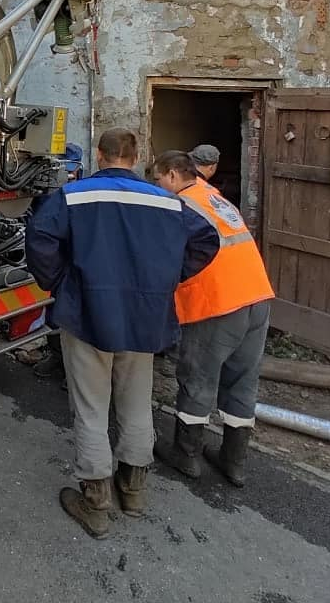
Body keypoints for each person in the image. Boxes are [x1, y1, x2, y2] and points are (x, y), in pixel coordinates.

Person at [25, 128, 219, 539]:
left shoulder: (75, 196)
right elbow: (207, 240)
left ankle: (95, 502)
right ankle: (133, 492)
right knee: (135, 403)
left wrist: (61, 284)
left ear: (99, 154)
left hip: (88, 314)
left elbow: (40, 239)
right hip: (145, 318)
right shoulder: (167, 202)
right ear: (136, 157)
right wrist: (164, 281)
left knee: (92, 409)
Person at [152, 150, 275, 488]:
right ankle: (234, 463)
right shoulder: (216, 199)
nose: (159, 187)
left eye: (159, 180)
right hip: (257, 296)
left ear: (174, 176)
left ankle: (186, 453)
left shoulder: (181, 205)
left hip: (218, 303)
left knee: (198, 377)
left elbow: (167, 255)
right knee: (242, 381)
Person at [33, 142, 85, 386]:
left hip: (71, 263)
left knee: (72, 317)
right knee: (57, 313)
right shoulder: (46, 185)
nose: (68, 174)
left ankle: (72, 371)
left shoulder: (75, 192)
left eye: (72, 169)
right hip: (58, 263)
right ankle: (58, 359)